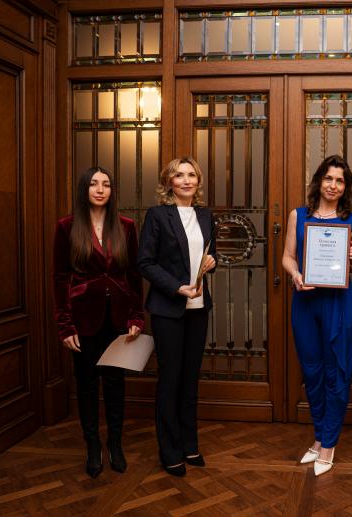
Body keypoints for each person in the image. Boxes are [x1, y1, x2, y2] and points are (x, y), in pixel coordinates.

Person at [52, 167, 144, 478]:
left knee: (116, 383)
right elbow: (60, 278)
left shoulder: (126, 226)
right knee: (88, 384)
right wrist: (65, 325)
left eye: (106, 184)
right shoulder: (66, 227)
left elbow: (134, 275)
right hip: (83, 317)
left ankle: (115, 443)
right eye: (93, 184)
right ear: (85, 189)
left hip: (119, 316)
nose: (100, 189)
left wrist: (136, 316)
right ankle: (93, 446)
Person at [282, 155, 352, 476]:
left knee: (337, 374)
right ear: (318, 181)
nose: (333, 185)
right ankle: (319, 437)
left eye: (340, 181)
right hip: (305, 302)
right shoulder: (298, 215)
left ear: (346, 187)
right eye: (328, 178)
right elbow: (288, 257)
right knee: (313, 374)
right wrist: (295, 275)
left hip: (339, 304)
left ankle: (329, 443)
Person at [137, 157, 217, 477]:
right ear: (169, 182)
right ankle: (169, 450)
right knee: (170, 381)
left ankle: (189, 444)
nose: (186, 180)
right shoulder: (158, 215)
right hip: (168, 308)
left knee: (190, 381)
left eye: (191, 175)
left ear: (198, 181)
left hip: (199, 310)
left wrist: (212, 261)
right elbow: (145, 263)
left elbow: (209, 253)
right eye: (179, 175)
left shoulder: (205, 215)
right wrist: (176, 287)